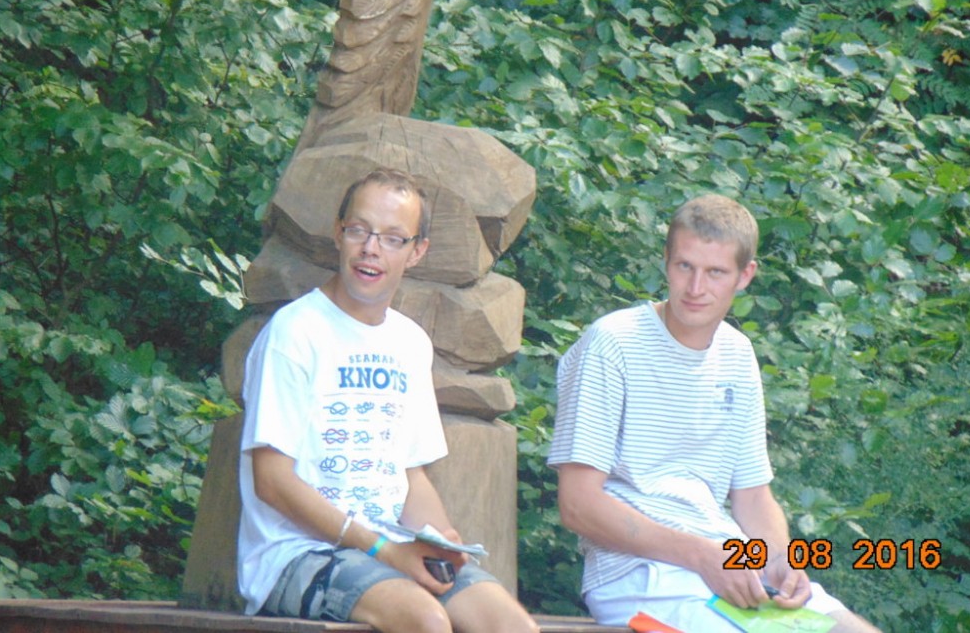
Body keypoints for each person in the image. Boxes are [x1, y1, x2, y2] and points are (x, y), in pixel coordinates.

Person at [548, 194, 881, 633]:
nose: (695, 288)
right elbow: (578, 505)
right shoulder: (612, 342)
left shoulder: (738, 354)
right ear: (666, 261)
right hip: (640, 573)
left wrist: (780, 561)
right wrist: (703, 556)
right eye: (684, 266)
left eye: (715, 272)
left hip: (733, 563)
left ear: (745, 275)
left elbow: (753, 497)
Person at [238, 167, 539, 633]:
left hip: (390, 546)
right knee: (427, 622)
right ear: (338, 233)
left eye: (393, 238)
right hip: (297, 555)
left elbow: (410, 476)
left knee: (510, 627)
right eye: (359, 230)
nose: (371, 248)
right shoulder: (295, 332)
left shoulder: (410, 342)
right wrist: (382, 548)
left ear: (417, 251)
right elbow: (272, 481)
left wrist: (439, 539)